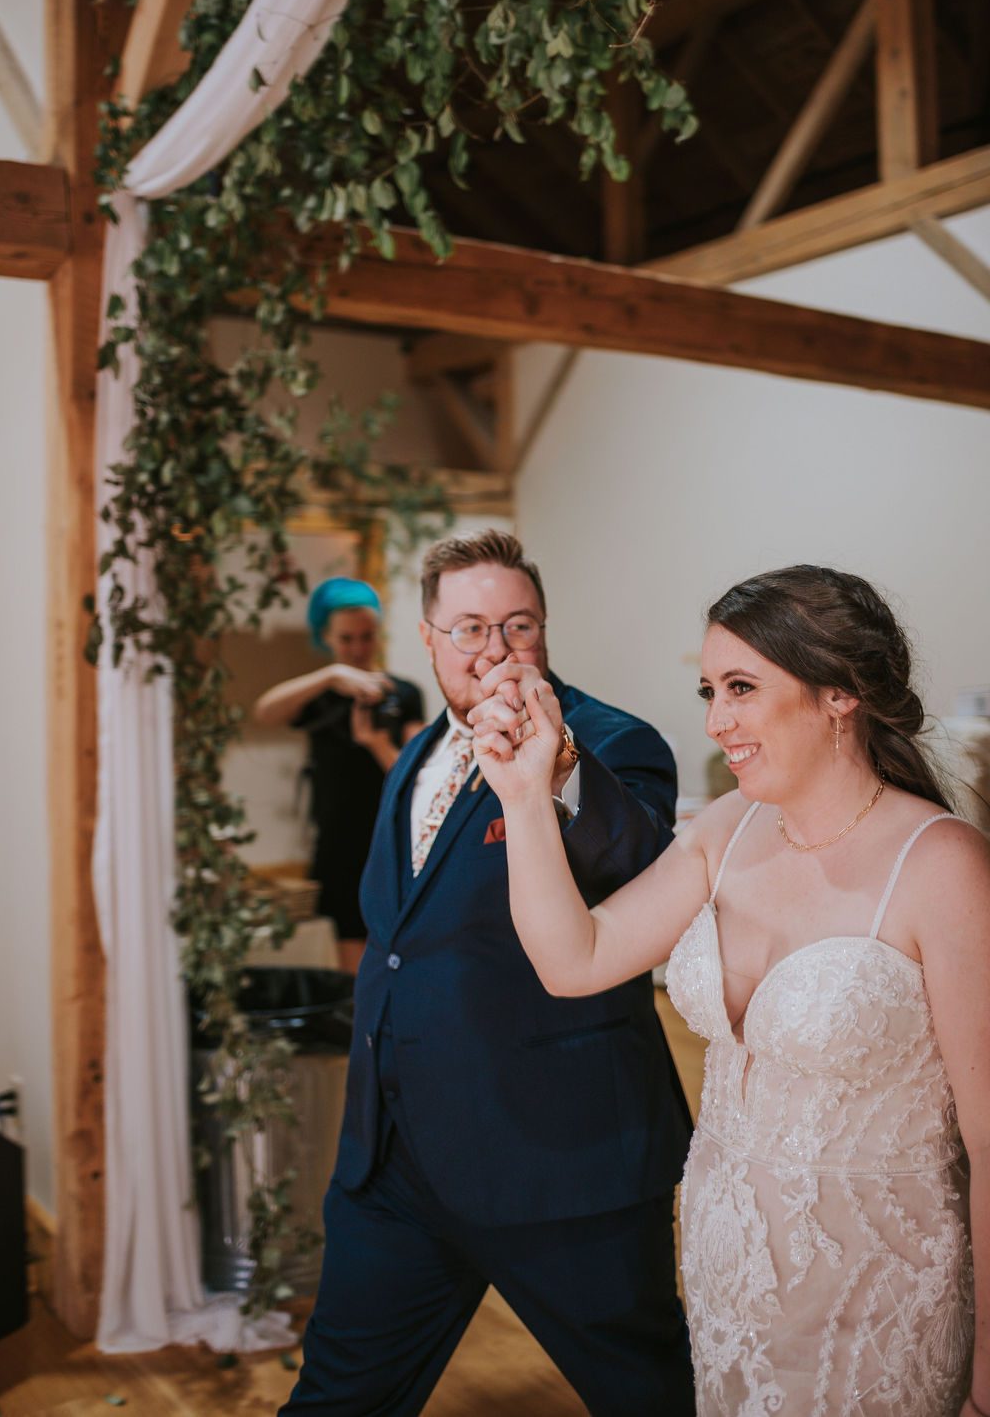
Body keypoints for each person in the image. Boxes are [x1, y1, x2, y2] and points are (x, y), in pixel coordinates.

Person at [472, 563, 990, 1417]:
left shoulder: (941, 866)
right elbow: (576, 960)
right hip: (728, 1288)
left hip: (878, 1305)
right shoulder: (727, 830)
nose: (716, 721)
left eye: (742, 688)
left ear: (839, 693)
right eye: (710, 691)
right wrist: (524, 796)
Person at [278, 529, 695, 1417]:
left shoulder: (613, 741)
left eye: (519, 626)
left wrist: (559, 765)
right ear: (427, 639)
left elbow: (645, 874)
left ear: (544, 628)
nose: (496, 650)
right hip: (393, 1167)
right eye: (469, 629)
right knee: (336, 1399)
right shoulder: (413, 757)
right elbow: (400, 944)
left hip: (560, 1164)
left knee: (647, 1394)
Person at [254, 577, 425, 972]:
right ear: (325, 637)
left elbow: (417, 780)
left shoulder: (402, 693)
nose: (359, 648)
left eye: (367, 636)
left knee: (401, 948)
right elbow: (264, 712)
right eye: (346, 639)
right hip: (338, 845)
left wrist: (376, 743)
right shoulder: (321, 697)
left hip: (393, 840)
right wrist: (330, 677)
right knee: (351, 962)